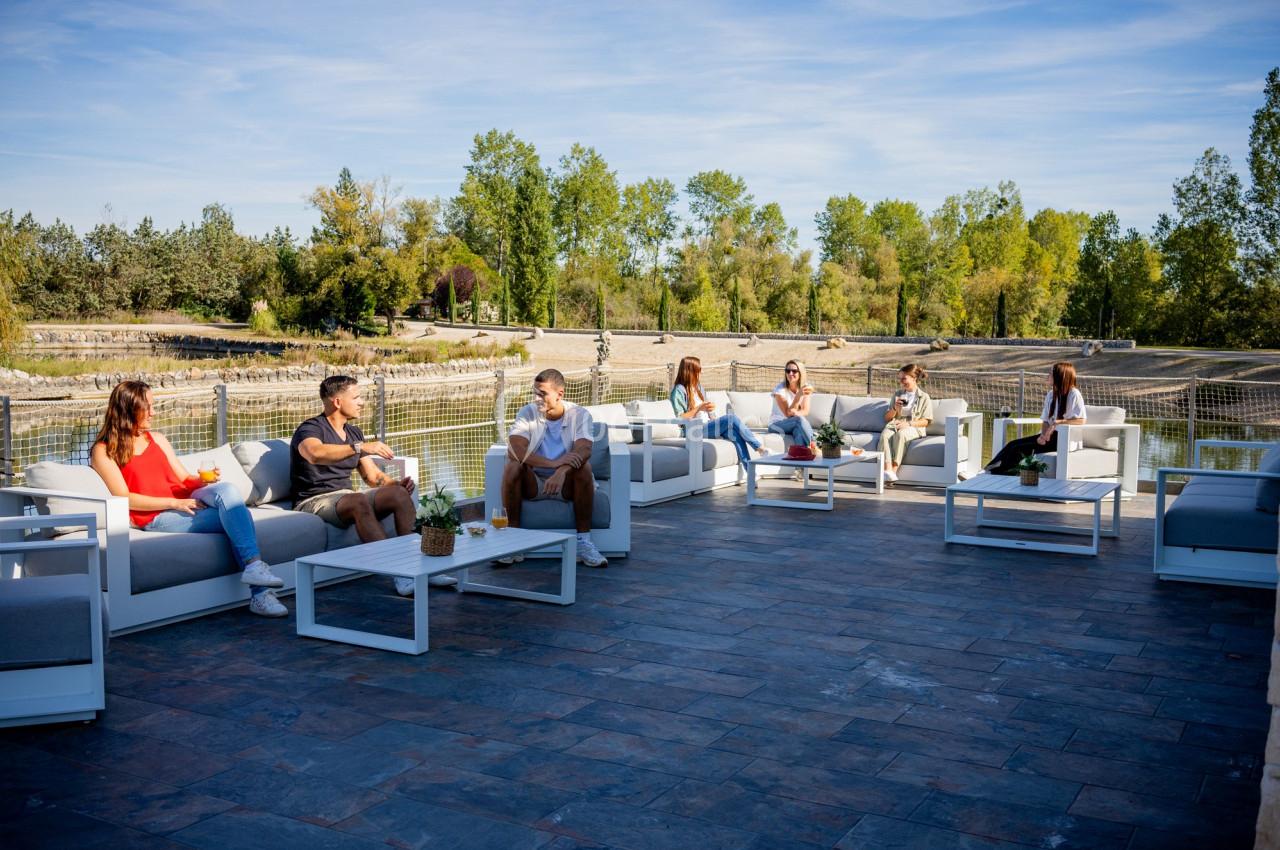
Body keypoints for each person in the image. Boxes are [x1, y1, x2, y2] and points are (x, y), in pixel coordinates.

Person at [90, 381, 288, 618]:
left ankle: (255, 569)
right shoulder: (104, 450)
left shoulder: (157, 438)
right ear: (128, 409)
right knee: (239, 514)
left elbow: (182, 477)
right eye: (148, 407)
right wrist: (174, 503)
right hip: (153, 516)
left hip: (185, 501)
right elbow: (124, 497)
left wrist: (202, 480)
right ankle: (260, 592)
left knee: (229, 493)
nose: (154, 412)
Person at [289, 375, 456, 596]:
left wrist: (395, 484)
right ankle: (399, 573)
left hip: (345, 496)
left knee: (396, 494)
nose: (362, 402)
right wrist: (359, 447)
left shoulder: (353, 432)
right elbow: (314, 454)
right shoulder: (311, 428)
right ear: (337, 402)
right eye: (356, 397)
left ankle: (423, 567)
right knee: (358, 500)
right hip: (314, 500)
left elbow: (372, 476)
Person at [500, 368, 608, 568]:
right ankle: (512, 542)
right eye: (535, 392)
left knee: (584, 468)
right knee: (512, 467)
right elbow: (515, 450)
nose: (537, 398)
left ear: (560, 394)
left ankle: (584, 543)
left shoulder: (580, 414)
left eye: (543, 393)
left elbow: (584, 449)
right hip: (534, 481)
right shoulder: (527, 412)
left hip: (566, 484)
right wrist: (552, 464)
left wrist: (560, 472)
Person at [984, 361, 1086, 475]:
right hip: (1050, 436)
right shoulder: (1051, 395)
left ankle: (995, 476)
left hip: (1064, 438)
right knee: (1012, 444)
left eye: (1050, 373)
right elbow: (1046, 420)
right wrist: (1042, 436)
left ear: (1060, 376)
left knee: (1018, 449)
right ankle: (990, 472)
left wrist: (1058, 422)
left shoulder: (1074, 394)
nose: (1047, 375)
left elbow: (1081, 420)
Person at [670, 355, 763, 468]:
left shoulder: (698, 388)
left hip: (708, 426)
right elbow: (679, 419)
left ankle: (750, 473)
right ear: (690, 372)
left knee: (735, 434)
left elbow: (706, 412)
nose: (701, 373)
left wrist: (711, 413)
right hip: (693, 430)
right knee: (731, 418)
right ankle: (759, 447)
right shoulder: (679, 390)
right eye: (699, 370)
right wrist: (699, 408)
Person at [879, 364, 934, 484]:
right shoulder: (898, 394)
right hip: (896, 423)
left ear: (914, 378)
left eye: (904, 378)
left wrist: (908, 424)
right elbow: (887, 418)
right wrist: (895, 407)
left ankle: (893, 471)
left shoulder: (924, 397)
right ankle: (887, 470)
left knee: (901, 435)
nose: (901, 382)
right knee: (884, 436)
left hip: (913, 425)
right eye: (900, 378)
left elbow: (926, 421)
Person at [768, 360, 816, 451]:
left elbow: (805, 411)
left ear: (800, 373)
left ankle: (800, 462)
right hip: (776, 425)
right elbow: (787, 414)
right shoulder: (779, 390)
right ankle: (815, 445)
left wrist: (794, 413)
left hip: (793, 423)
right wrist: (798, 396)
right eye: (787, 371)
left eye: (794, 371)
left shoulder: (805, 387)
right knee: (799, 420)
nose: (790, 373)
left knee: (798, 431)